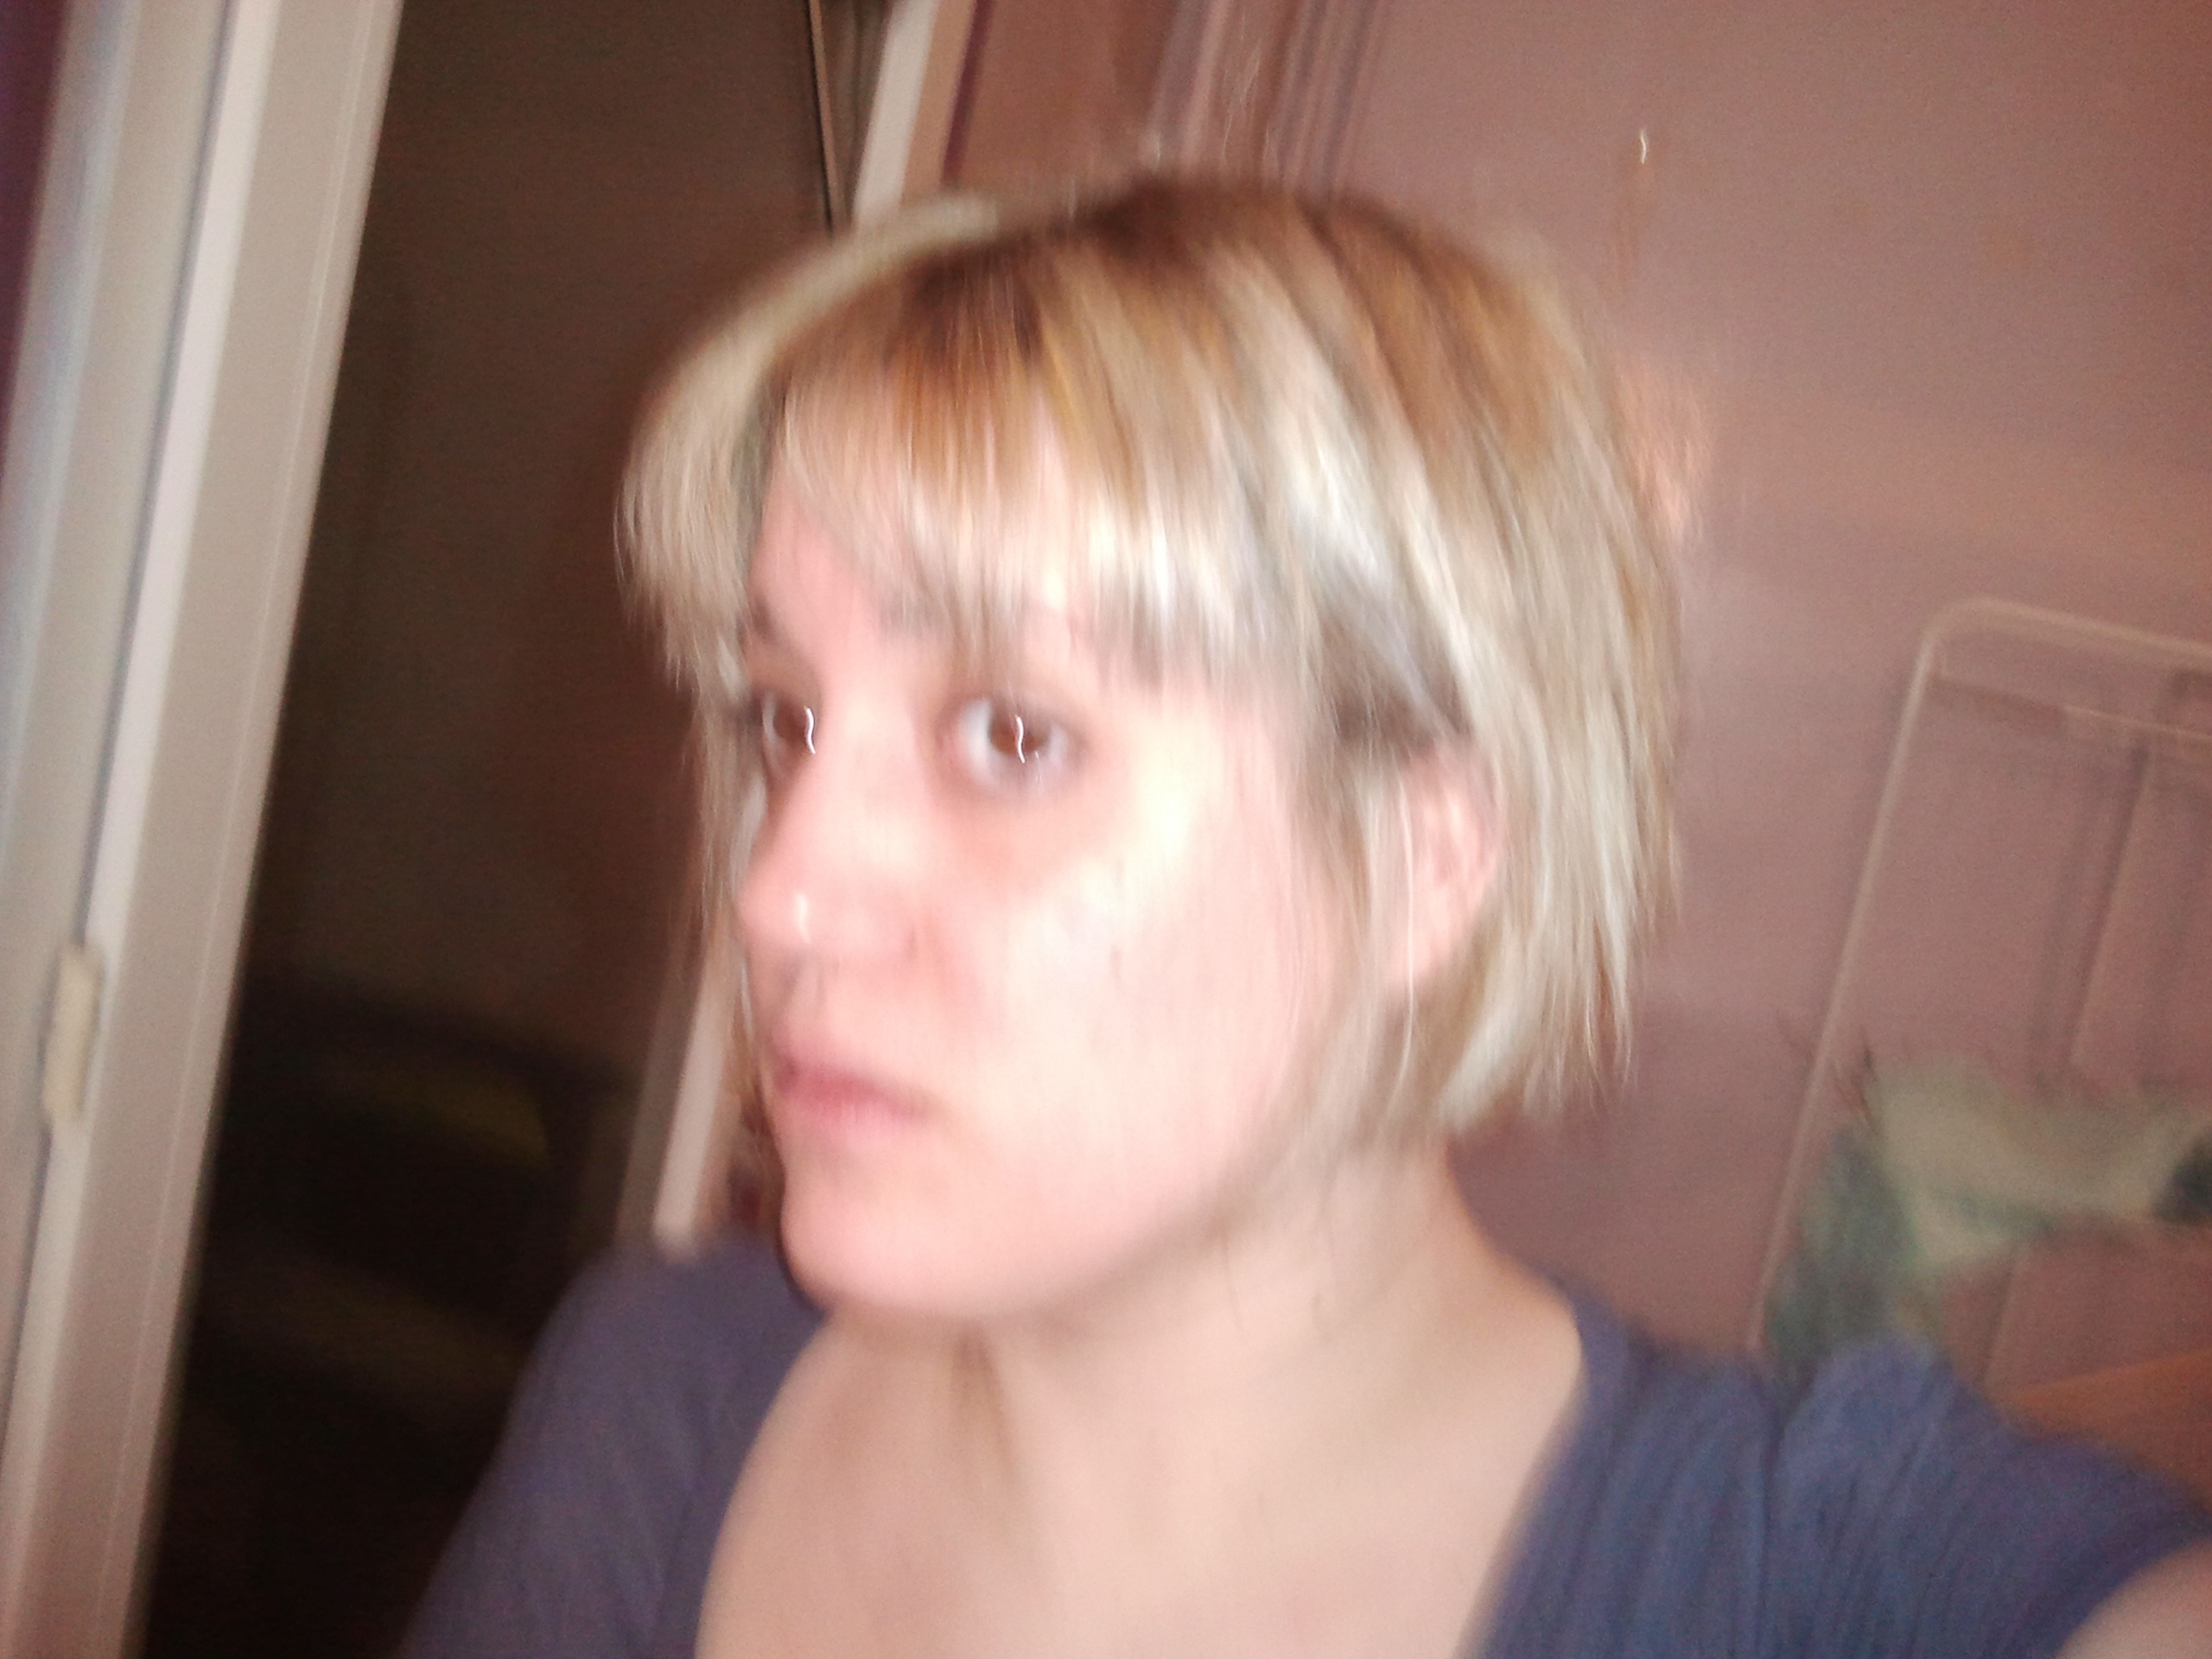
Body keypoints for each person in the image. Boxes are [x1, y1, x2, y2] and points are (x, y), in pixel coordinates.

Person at [404, 182, 2212, 1658]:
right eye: (786, 718)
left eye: (1012, 735)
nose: (781, 892)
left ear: (1425, 859)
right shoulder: (651, 1396)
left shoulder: (1818, 1581)